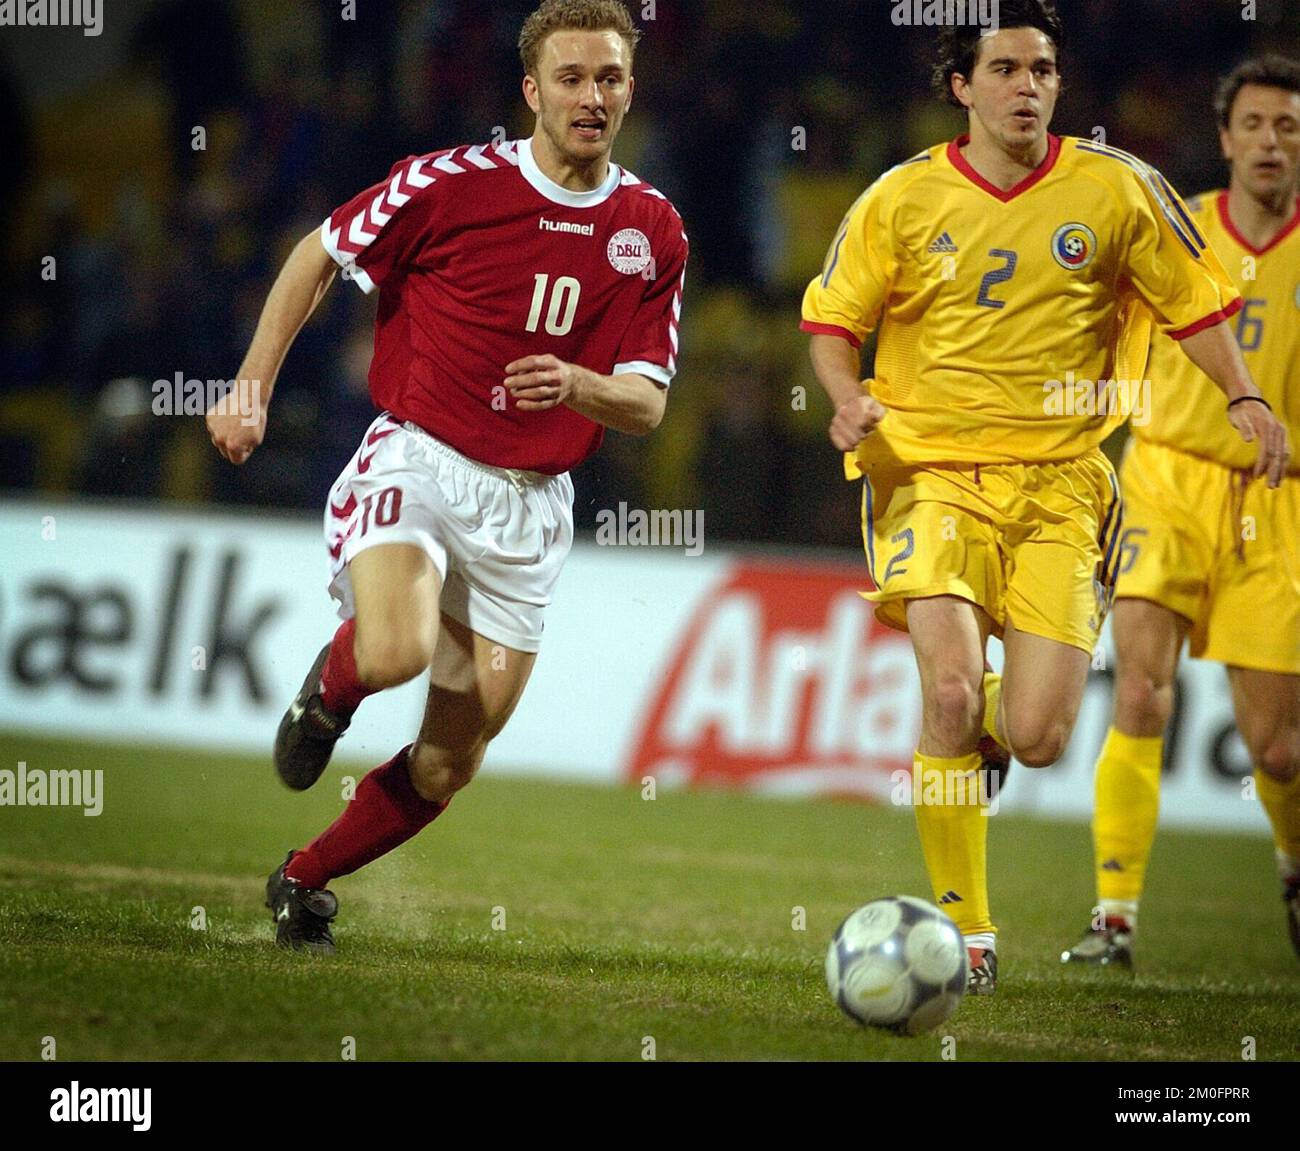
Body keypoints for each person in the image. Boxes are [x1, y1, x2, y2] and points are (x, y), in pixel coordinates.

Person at [800, 0, 1289, 994]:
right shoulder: (900, 198)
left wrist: (1241, 391)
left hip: (1064, 487)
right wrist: (847, 399)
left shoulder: (1115, 192)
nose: (1027, 86)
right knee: (942, 690)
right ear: (962, 85)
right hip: (928, 473)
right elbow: (831, 318)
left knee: (1037, 735)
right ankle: (965, 934)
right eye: (1008, 69)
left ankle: (980, 723)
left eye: (1043, 70)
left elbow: (1193, 304)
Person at [205, 0, 687, 951]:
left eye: (611, 79)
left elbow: (648, 402)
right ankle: (328, 695)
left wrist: (580, 383)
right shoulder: (448, 183)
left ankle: (302, 879)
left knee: (447, 762)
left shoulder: (653, 230)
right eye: (571, 78)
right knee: (394, 649)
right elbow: (319, 254)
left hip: (532, 509)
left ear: (631, 88)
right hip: (421, 460)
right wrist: (250, 387)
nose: (592, 98)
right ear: (531, 91)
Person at [1063, 56, 1300, 970]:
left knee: (1277, 748)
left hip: (1279, 502)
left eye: (1287, 126)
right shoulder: (1178, 230)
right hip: (1165, 475)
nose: (1270, 141)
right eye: (1255, 125)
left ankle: (1289, 864)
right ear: (1225, 137)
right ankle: (1113, 915)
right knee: (1139, 689)